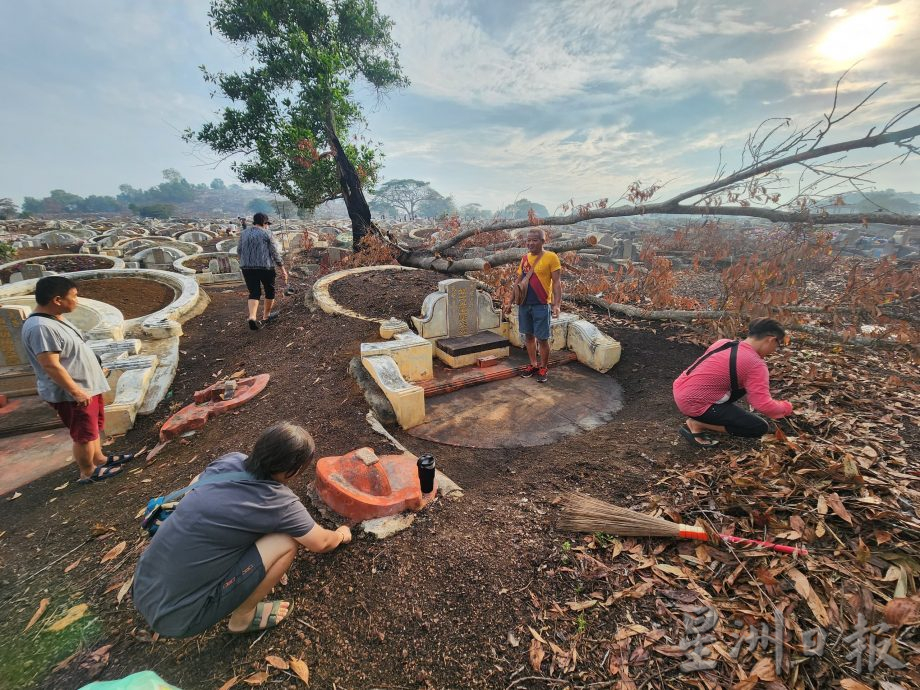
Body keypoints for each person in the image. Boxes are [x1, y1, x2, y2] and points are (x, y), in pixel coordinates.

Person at [132, 422, 352, 637]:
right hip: (178, 618)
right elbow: (320, 542)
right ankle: (243, 618)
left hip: (142, 586)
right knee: (286, 541)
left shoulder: (230, 461)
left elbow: (197, 482)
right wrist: (341, 534)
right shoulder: (279, 503)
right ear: (291, 471)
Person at [20, 276, 133, 483]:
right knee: (83, 434)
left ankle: (99, 459)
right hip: (74, 392)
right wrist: (75, 391)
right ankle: (88, 471)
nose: (77, 301)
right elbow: (50, 364)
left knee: (93, 427)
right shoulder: (40, 327)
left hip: (87, 385)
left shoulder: (53, 319)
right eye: (74, 296)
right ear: (57, 300)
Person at [672, 318, 793, 447]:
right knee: (758, 427)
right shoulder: (755, 364)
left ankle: (706, 415)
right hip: (694, 403)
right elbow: (763, 405)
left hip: (681, 389)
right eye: (778, 344)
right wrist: (787, 408)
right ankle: (698, 423)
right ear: (771, 339)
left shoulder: (724, 343)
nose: (775, 349)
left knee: (744, 382)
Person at [514, 228, 562, 383]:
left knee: (542, 338)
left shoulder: (551, 257)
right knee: (528, 335)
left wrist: (556, 305)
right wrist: (509, 301)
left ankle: (543, 367)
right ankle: (533, 365)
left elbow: (556, 283)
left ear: (543, 241)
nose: (530, 243)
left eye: (534, 240)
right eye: (528, 240)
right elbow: (518, 281)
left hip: (541, 305)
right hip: (524, 304)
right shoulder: (524, 258)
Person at [239, 212, 288, 330]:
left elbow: (239, 250)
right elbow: (274, 252)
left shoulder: (244, 233)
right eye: (267, 224)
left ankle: (252, 317)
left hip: (247, 268)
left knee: (254, 292)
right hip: (265, 267)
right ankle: (266, 316)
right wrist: (282, 268)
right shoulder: (267, 233)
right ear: (264, 223)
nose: (267, 226)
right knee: (269, 291)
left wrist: (246, 262)